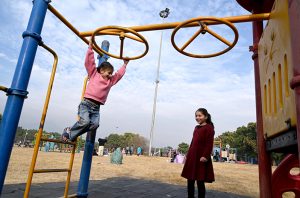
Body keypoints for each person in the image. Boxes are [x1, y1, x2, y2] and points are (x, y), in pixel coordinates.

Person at [67, 40, 129, 142]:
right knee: (85, 122)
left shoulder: (110, 81)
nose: (110, 75)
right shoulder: (94, 74)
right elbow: (89, 62)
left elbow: (118, 75)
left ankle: (72, 133)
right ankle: (70, 132)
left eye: (111, 73)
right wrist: (90, 48)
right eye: (109, 73)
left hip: (96, 108)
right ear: (101, 71)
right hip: (86, 104)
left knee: (95, 125)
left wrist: (125, 64)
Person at [181, 108, 215, 198]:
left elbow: (209, 144)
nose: (197, 117)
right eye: (196, 116)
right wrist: (188, 154)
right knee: (190, 179)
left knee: (200, 181)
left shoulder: (209, 128)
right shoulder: (196, 128)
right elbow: (192, 142)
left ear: (206, 117)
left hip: (201, 157)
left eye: (200, 115)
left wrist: (205, 156)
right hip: (193, 156)